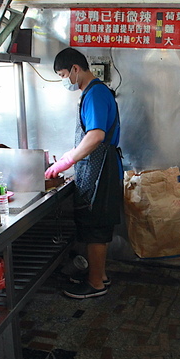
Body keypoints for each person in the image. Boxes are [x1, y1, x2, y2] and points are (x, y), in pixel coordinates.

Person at [45, 47, 123, 299]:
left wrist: (65, 161)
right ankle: (99, 276)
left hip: (101, 170)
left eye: (63, 74)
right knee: (95, 226)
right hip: (97, 169)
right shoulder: (93, 93)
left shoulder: (96, 94)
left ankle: (94, 285)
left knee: (96, 227)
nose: (63, 80)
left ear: (76, 69)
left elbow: (96, 136)